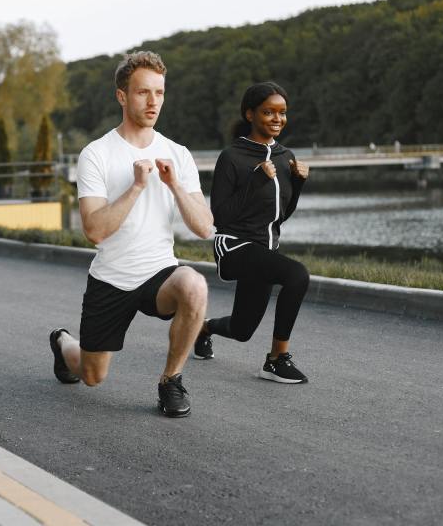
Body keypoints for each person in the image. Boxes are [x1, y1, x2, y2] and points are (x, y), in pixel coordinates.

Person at [49, 51, 214, 417]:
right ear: (122, 96)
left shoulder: (177, 154)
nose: (153, 101)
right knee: (92, 376)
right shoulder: (97, 154)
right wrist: (137, 186)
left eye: (159, 92)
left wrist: (175, 187)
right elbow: (94, 230)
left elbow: (204, 227)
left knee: (195, 285)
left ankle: (171, 380)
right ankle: (62, 343)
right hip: (112, 278)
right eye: (143, 92)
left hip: (159, 273)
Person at [193, 82, 312, 384]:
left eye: (282, 112)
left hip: (263, 250)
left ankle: (202, 328)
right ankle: (276, 360)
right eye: (268, 112)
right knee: (297, 275)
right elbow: (220, 217)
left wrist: (297, 184)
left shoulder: (286, 157)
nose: (277, 118)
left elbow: (281, 214)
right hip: (233, 247)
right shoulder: (232, 157)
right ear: (250, 114)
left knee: (242, 330)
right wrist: (257, 179)